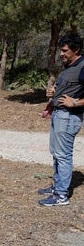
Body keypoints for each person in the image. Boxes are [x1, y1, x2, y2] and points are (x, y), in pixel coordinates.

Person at [38, 33, 84, 207]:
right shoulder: (68, 66)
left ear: (76, 49)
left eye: (65, 51)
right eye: (61, 50)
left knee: (63, 156)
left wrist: (76, 102)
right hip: (59, 114)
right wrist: (52, 92)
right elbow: (65, 87)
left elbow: (75, 97)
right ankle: (57, 186)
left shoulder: (82, 66)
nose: (61, 54)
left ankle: (61, 195)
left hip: (69, 117)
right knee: (56, 154)